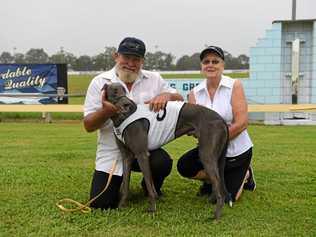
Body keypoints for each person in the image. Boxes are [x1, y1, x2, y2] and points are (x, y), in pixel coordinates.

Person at [83, 37, 183, 209]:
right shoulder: (100, 82)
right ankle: (119, 184)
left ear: (142, 61)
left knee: (162, 162)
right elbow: (88, 125)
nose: (130, 63)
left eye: (136, 59)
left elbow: (179, 99)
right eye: (126, 58)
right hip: (112, 153)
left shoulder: (154, 79)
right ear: (116, 56)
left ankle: (149, 186)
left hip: (144, 148)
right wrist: (106, 112)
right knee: (101, 204)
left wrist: (167, 96)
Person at [177, 46, 255, 202]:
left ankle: (246, 174)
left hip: (236, 152)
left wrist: (215, 141)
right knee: (185, 165)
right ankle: (212, 179)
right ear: (201, 66)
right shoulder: (194, 93)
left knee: (227, 199)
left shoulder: (235, 85)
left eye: (215, 61)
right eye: (206, 62)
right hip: (210, 150)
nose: (210, 65)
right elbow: (194, 127)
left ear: (222, 65)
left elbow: (241, 123)